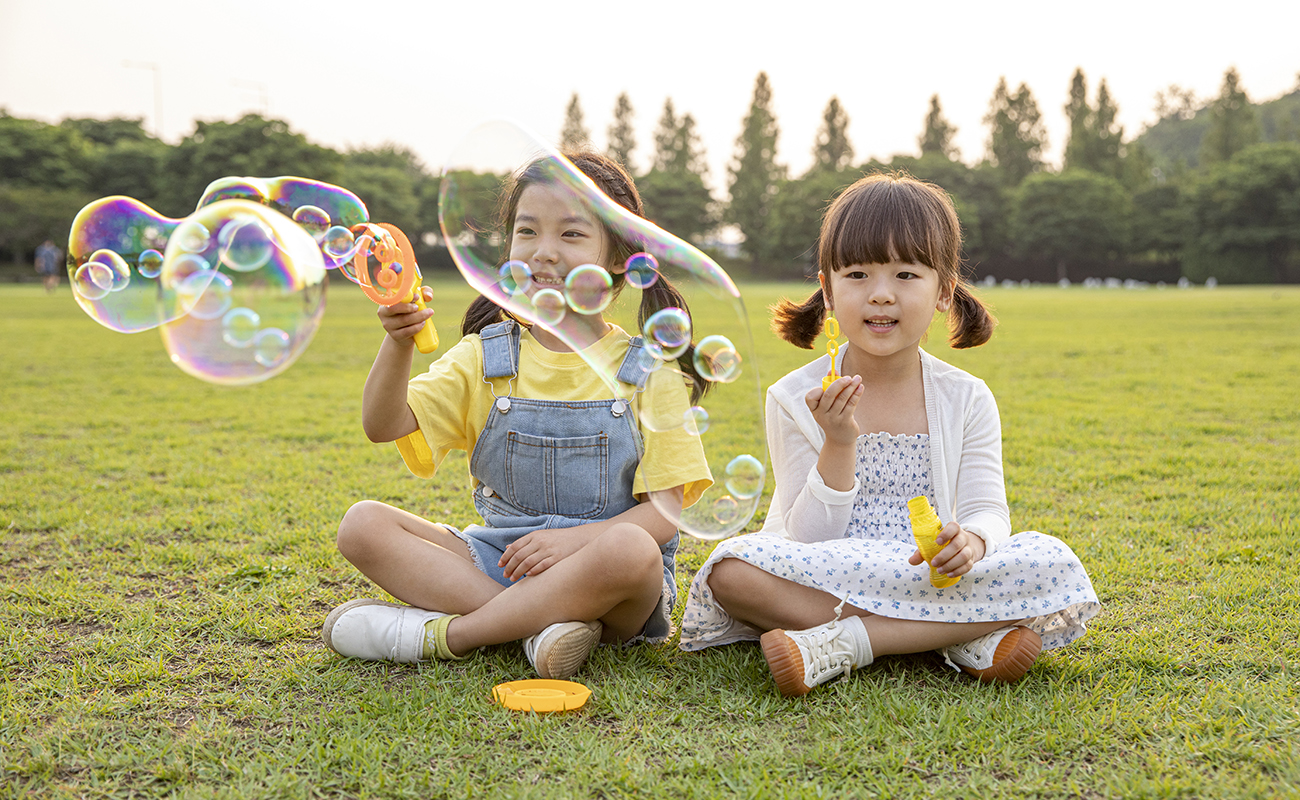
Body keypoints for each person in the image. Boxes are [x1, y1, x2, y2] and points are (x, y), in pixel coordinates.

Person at [678, 173, 1100, 697]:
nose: (880, 294)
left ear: (943, 291)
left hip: (931, 574)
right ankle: (960, 635)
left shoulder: (966, 396)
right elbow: (808, 538)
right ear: (828, 291)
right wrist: (838, 443)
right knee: (731, 571)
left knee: (1052, 561)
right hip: (832, 570)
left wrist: (969, 542)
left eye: (905, 274)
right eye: (857, 274)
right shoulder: (794, 396)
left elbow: (988, 511)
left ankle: (847, 642)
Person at [322, 151, 712, 679]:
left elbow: (665, 514)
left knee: (632, 548)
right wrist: (398, 344)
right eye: (527, 231)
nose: (544, 252)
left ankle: (450, 636)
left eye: (572, 235)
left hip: (609, 581)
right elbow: (383, 424)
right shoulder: (486, 355)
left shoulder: (648, 369)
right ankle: (539, 630)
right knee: (362, 524)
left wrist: (573, 541)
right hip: (503, 559)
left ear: (620, 256)